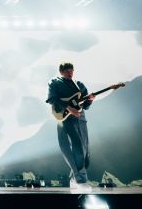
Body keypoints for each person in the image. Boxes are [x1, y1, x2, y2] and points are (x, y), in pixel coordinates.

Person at [46, 62, 95, 190]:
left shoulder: (79, 84)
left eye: (71, 70)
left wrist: (90, 100)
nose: (70, 72)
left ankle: (74, 178)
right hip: (65, 118)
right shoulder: (54, 82)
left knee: (84, 150)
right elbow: (52, 99)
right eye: (67, 70)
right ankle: (80, 180)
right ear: (61, 72)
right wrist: (69, 108)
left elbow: (85, 106)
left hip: (80, 118)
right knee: (74, 147)